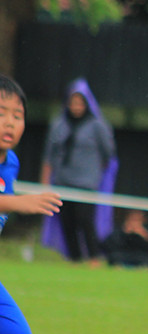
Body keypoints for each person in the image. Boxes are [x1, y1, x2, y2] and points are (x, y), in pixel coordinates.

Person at [0, 75, 62, 334]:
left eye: (17, 115)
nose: (9, 122)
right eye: (0, 113)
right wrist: (15, 202)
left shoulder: (10, 163)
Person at [39, 78, 117, 267]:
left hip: (86, 182)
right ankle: (74, 258)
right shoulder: (58, 125)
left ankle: (93, 258)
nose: (76, 107)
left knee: (85, 220)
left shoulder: (97, 125)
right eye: (73, 102)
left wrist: (97, 173)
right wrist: (45, 182)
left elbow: (109, 154)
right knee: (68, 220)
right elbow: (49, 156)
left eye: (80, 102)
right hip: (63, 181)